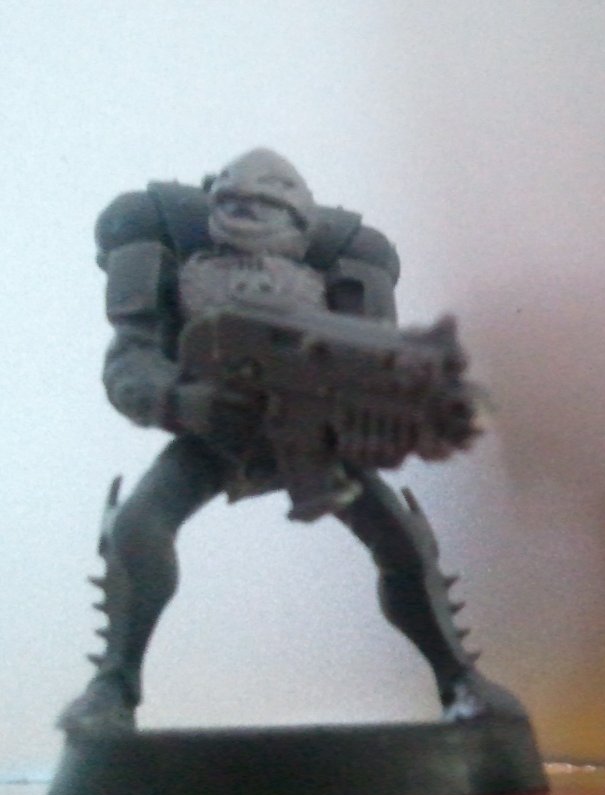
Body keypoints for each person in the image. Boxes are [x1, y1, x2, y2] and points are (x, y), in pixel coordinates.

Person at [59, 148, 524, 735]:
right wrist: (183, 401)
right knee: (137, 529)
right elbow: (131, 362)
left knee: (402, 543)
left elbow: (373, 366)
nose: (248, 217)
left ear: (301, 222)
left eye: (266, 207)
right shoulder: (180, 263)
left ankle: (458, 678)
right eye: (235, 204)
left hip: (311, 433)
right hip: (216, 429)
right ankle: (113, 685)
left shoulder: (342, 270)